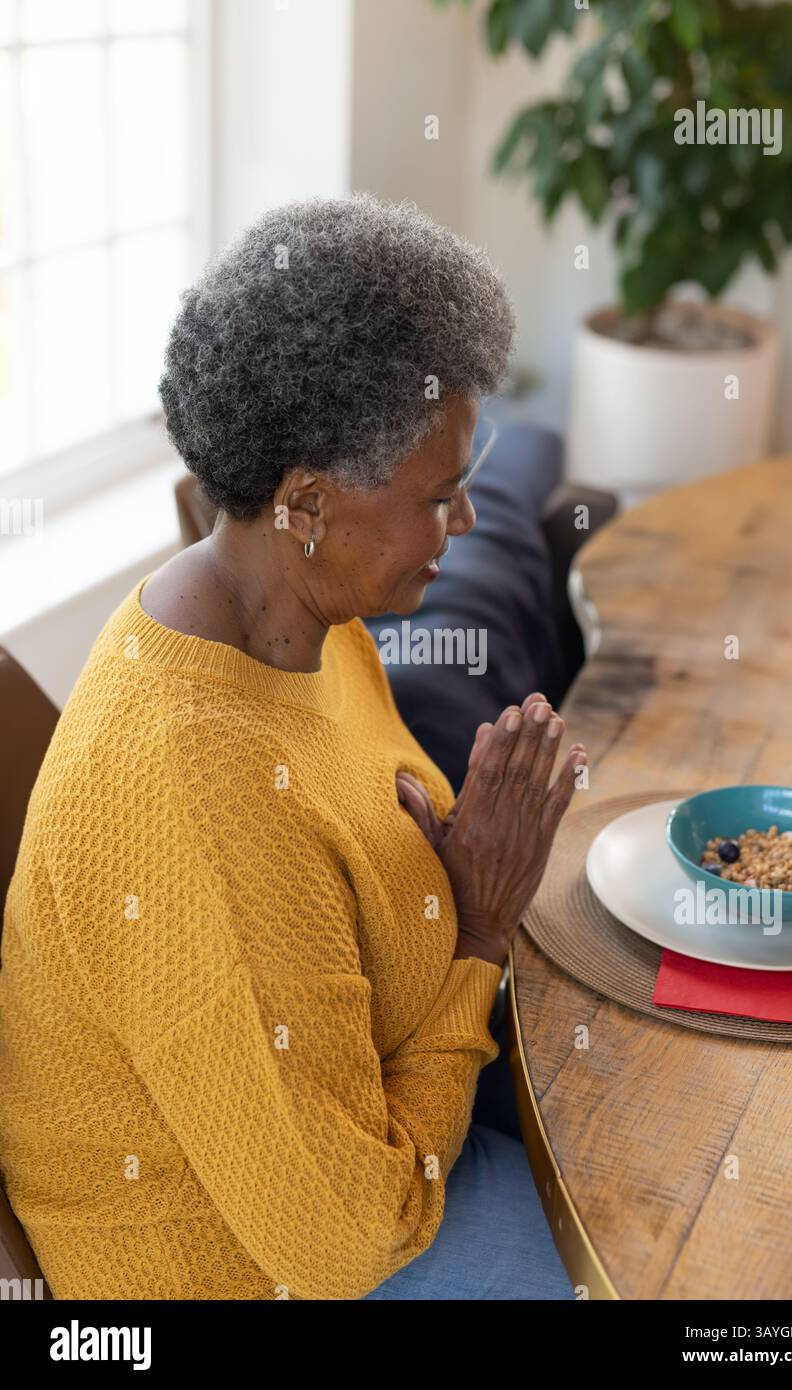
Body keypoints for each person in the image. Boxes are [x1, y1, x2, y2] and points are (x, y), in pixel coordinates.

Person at [0, 193, 584, 1300]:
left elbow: (355, 880)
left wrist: (456, 893)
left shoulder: (302, 621)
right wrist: (480, 934)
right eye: (441, 494)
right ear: (307, 503)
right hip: (236, 1267)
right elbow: (348, 1245)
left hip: (382, 1117)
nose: (463, 523)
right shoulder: (196, 787)